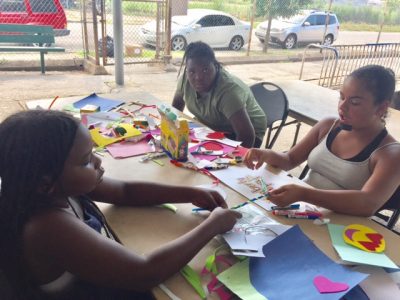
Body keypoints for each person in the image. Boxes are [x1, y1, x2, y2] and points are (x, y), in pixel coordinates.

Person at [0, 110, 241, 299]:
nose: (97, 162)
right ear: (46, 182)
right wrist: (212, 225)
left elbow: (124, 192)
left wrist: (188, 193)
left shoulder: (54, 186)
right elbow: (144, 273)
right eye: (86, 161)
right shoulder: (47, 226)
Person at [243, 65, 400, 217]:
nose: (342, 107)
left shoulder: (390, 153)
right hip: (300, 210)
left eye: (354, 102)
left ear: (381, 108)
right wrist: (265, 154)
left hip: (341, 230)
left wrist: (304, 194)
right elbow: (290, 159)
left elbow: (367, 204)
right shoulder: (328, 126)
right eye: (342, 97)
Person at [172, 41, 267, 148]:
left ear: (215, 66)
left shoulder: (229, 92)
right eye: (192, 71)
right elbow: (176, 108)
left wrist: (235, 161)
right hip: (211, 125)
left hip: (245, 133)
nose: (198, 77)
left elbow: (247, 136)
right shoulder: (185, 79)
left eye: (205, 70)